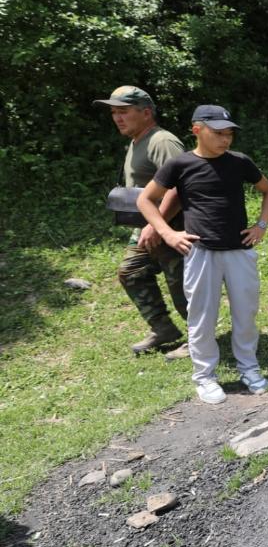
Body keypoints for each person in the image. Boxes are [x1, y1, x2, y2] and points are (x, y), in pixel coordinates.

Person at [137, 105, 268, 405]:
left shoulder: (240, 162)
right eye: (218, 133)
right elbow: (145, 200)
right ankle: (205, 377)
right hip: (201, 252)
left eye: (229, 134)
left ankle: (249, 369)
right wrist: (168, 233)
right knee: (202, 317)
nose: (225, 140)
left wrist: (261, 226)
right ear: (197, 129)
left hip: (240, 250)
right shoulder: (180, 165)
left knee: (246, 313)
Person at [95, 85, 189, 357]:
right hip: (148, 228)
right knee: (131, 272)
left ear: (146, 113)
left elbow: (180, 186)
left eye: (124, 111)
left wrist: (155, 224)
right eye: (114, 112)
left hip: (172, 228)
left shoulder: (162, 142)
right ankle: (164, 329)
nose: (117, 118)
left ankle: (200, 340)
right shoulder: (138, 139)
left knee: (183, 289)